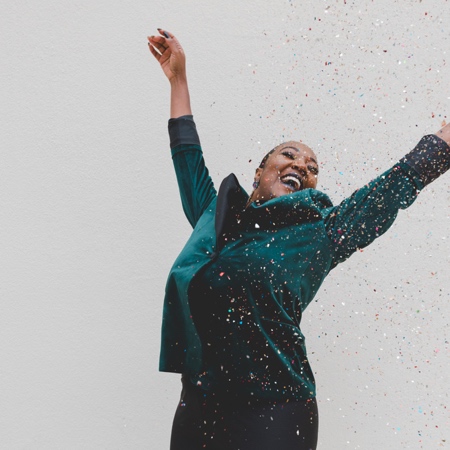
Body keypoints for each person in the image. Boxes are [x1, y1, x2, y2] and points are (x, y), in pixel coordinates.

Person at [147, 29, 450, 450]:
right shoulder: (211, 216)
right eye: (289, 154)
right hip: (200, 401)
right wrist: (178, 80)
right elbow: (187, 155)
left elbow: (386, 193)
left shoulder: (319, 234)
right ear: (260, 170)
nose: (302, 166)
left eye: (312, 167)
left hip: (275, 410)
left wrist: (445, 141)